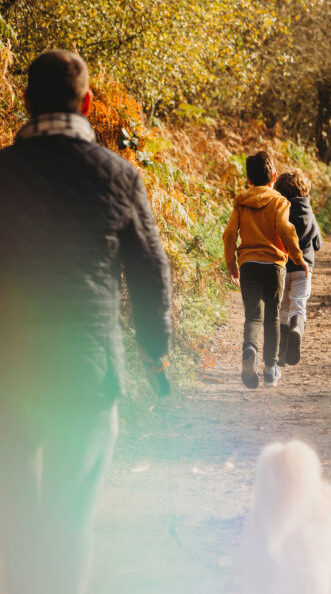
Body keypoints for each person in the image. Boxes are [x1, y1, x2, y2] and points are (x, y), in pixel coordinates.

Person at [0, 49, 173, 594]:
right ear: (88, 102)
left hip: (11, 369)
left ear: (25, 100)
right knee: (71, 519)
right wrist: (153, 349)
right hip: (88, 370)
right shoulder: (120, 176)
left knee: (14, 519)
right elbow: (150, 271)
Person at [222, 151, 307, 388]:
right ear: (274, 176)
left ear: (248, 179)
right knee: (272, 316)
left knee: (253, 315)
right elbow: (285, 229)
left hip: (248, 264)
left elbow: (229, 233)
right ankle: (270, 370)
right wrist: (298, 258)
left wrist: (231, 263)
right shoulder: (279, 201)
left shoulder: (241, 201)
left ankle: (250, 348)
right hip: (274, 266)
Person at [275, 170, 322, 367]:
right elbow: (317, 243)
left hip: (283, 266)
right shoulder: (309, 212)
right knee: (299, 304)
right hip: (304, 269)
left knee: (283, 307)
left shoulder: (279, 211)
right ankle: (297, 329)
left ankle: (281, 351)